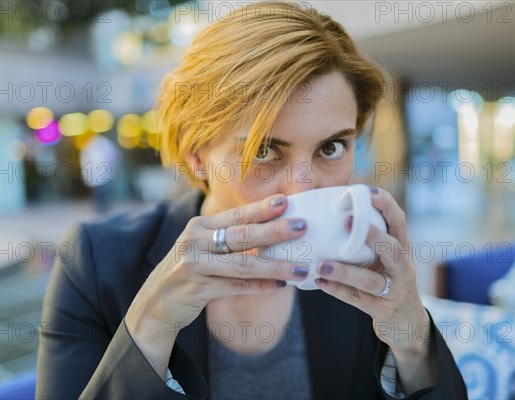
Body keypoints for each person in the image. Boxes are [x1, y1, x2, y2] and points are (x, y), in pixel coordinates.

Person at [36, 2, 467, 399]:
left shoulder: (357, 264)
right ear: (197, 154)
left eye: (331, 148)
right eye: (263, 150)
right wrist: (150, 327)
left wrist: (412, 340)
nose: (304, 189)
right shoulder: (96, 263)